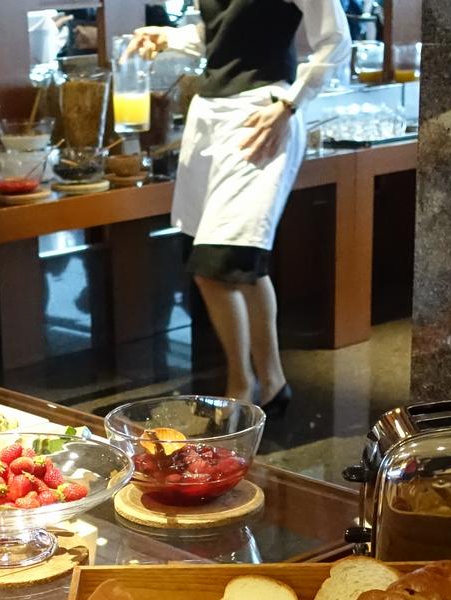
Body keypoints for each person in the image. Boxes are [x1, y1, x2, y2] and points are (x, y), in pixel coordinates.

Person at [130, 0, 348, 413]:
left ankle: (240, 386)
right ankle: (273, 383)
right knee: (237, 264)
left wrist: (290, 104)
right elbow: (214, 32)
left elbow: (335, 38)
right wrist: (169, 37)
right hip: (209, 116)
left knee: (218, 262)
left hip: (261, 113)